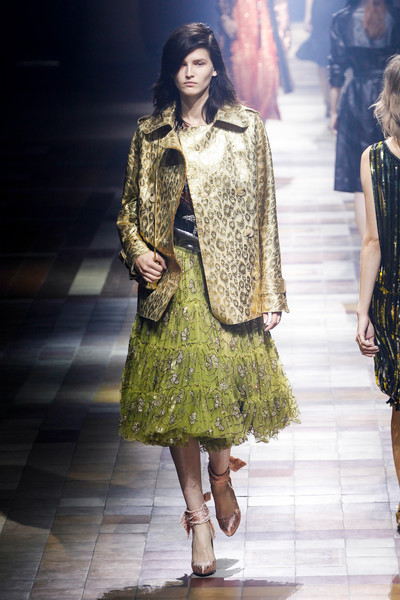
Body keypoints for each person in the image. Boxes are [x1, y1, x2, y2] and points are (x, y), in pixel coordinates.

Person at [117, 23, 299, 576]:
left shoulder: (246, 128)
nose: (189, 72)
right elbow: (128, 212)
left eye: (198, 62)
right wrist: (138, 252)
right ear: (170, 71)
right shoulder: (150, 134)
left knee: (218, 391)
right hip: (172, 279)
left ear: (215, 66)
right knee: (180, 401)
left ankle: (221, 477)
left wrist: (271, 291)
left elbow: (265, 213)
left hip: (231, 279)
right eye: (181, 64)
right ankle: (197, 520)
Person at [355, 53, 400, 526]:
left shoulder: (376, 157)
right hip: (395, 300)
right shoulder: (374, 158)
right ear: (390, 97)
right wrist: (363, 311)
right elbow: (373, 240)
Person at [328, 0, 400, 236]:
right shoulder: (396, 16)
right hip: (391, 99)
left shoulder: (342, 19)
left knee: (361, 182)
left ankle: (370, 246)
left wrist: (333, 110)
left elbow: (336, 70)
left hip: (356, 100)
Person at [218, 0, 293, 120]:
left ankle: (258, 126)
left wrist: (284, 36)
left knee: (265, 82)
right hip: (240, 32)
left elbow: (280, 5)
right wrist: (225, 18)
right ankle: (246, 125)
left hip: (266, 32)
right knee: (242, 84)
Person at [296, 0, 345, 117]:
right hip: (322, 14)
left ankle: (335, 103)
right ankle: (328, 102)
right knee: (322, 60)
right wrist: (308, 15)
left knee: (340, 59)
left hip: (339, 9)